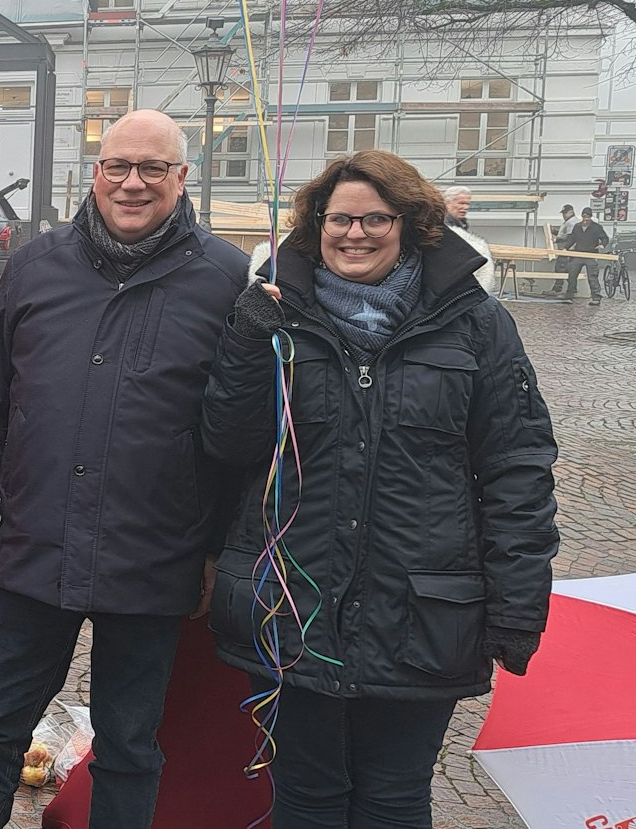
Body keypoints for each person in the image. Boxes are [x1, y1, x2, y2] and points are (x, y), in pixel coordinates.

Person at [201, 149, 558, 829]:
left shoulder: (475, 323)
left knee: (393, 796)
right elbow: (229, 442)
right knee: (306, 794)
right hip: (294, 604)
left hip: (423, 611)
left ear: (410, 223)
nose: (354, 234)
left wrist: (517, 604)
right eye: (339, 219)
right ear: (316, 224)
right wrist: (248, 342)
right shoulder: (279, 312)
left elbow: (518, 467)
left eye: (374, 219)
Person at [0, 109, 251, 829]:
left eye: (152, 168)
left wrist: (214, 550)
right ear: (96, 172)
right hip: (36, 540)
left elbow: (238, 434)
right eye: (118, 166)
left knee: (132, 741)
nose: (132, 183)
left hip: (156, 551)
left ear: (181, 177)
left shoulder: (225, 275)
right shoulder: (35, 265)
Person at [440, 185, 494, 292]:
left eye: (467, 204)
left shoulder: (461, 224)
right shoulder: (444, 225)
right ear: (447, 203)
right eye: (461, 203)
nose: (465, 207)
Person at [561, 206, 611, 305]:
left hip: (590, 254)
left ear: (590, 217)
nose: (586, 219)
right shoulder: (577, 226)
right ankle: (570, 295)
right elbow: (572, 238)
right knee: (572, 274)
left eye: (588, 217)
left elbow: (605, 238)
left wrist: (602, 245)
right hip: (578, 254)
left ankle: (596, 297)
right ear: (582, 217)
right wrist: (566, 247)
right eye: (584, 217)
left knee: (592, 276)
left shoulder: (596, 227)